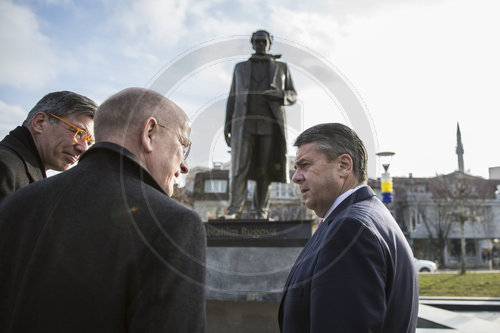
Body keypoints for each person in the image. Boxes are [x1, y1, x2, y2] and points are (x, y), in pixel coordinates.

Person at [0, 88, 206, 332]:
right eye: (183, 145)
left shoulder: (17, 202)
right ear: (149, 132)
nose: (184, 166)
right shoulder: (173, 224)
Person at [278, 123, 418, 332]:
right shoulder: (368, 217)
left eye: (304, 165)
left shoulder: (350, 230)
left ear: (344, 165)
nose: (295, 177)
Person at [224, 29, 297, 219]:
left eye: (264, 41)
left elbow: (292, 94)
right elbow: (232, 97)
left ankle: (261, 211)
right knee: (239, 166)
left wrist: (280, 95)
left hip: (270, 124)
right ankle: (234, 209)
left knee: (264, 168)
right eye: (257, 41)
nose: (260, 44)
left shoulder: (281, 67)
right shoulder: (240, 67)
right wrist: (227, 125)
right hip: (244, 124)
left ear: (270, 42)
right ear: (252, 43)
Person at [0, 91, 97, 200]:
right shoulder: (5, 167)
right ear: (39, 122)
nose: (83, 149)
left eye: (89, 142)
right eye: (79, 133)